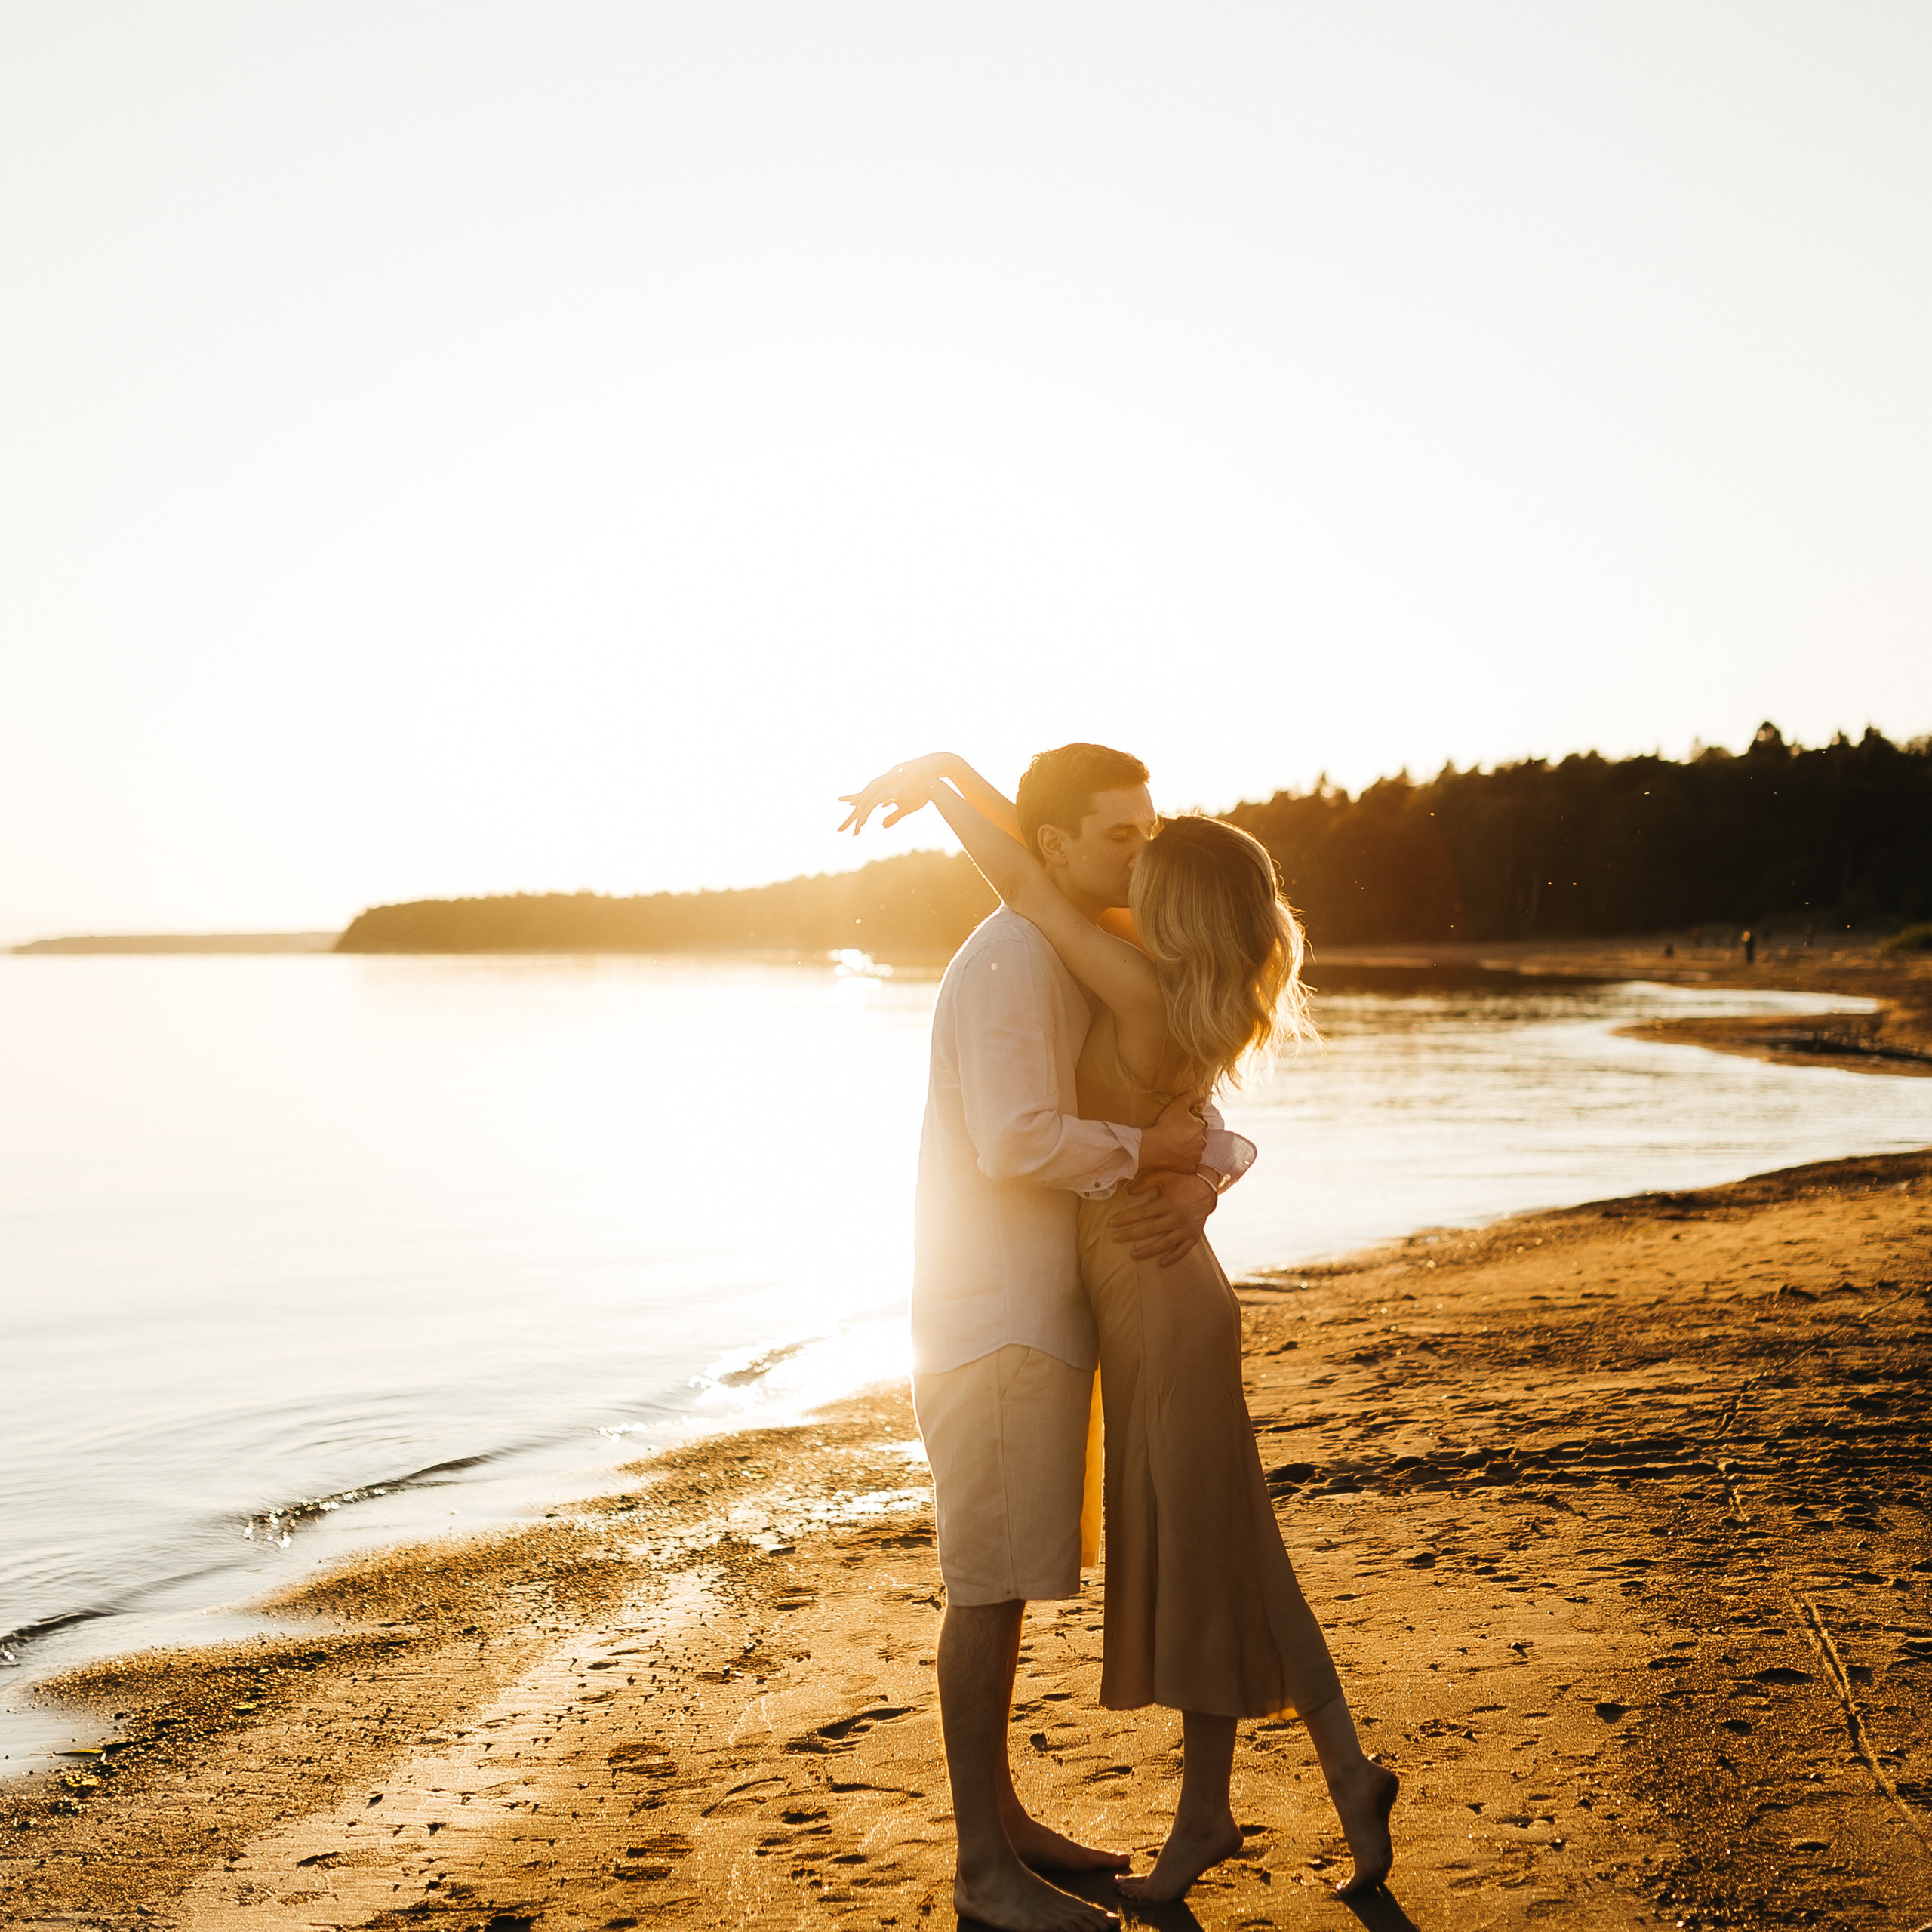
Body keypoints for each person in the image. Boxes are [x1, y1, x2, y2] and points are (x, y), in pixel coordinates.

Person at [841, 746, 1398, 1906]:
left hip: (1145, 1304)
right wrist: (948, 777)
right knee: (1220, 1550)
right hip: (1114, 1301)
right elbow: (1032, 882)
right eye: (1123, 836)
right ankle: (1310, 1784)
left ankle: (1226, 1811)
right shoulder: (1111, 964)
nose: (1136, 857)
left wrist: (1184, 1171)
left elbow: (1176, 1125)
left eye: (1153, 846)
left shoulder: (1125, 972)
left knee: (1205, 1554)